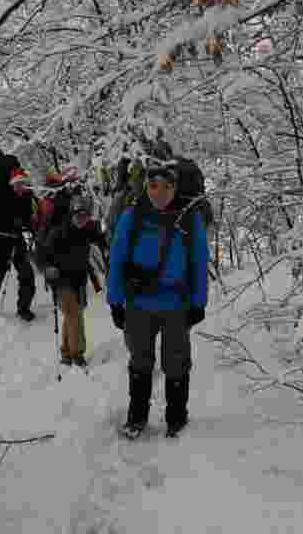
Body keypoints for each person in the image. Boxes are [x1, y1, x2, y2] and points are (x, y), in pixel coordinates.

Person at [107, 161, 209, 439]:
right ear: (145, 187)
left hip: (177, 304)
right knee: (140, 361)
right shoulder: (132, 216)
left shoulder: (189, 218)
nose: (159, 193)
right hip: (138, 304)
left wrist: (198, 302)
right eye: (153, 186)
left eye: (167, 187)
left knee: (176, 362)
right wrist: (115, 301)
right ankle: (136, 417)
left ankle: (177, 418)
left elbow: (199, 260)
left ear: (175, 187)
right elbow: (116, 259)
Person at [38, 194, 107, 367]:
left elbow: (102, 242)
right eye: (78, 215)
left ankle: (66, 352)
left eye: (85, 216)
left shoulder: (90, 229)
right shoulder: (59, 232)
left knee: (72, 316)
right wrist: (47, 268)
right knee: (74, 315)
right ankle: (77, 354)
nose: (82, 220)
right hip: (61, 280)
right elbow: (42, 255)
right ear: (72, 214)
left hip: (79, 279)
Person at [0, 164, 37, 321]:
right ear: (12, 183)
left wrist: (28, 225)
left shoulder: (26, 197)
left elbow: (29, 219)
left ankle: (24, 308)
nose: (21, 186)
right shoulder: (0, 195)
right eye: (18, 183)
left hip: (17, 241)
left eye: (24, 183)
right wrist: (7, 222)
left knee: (27, 275)